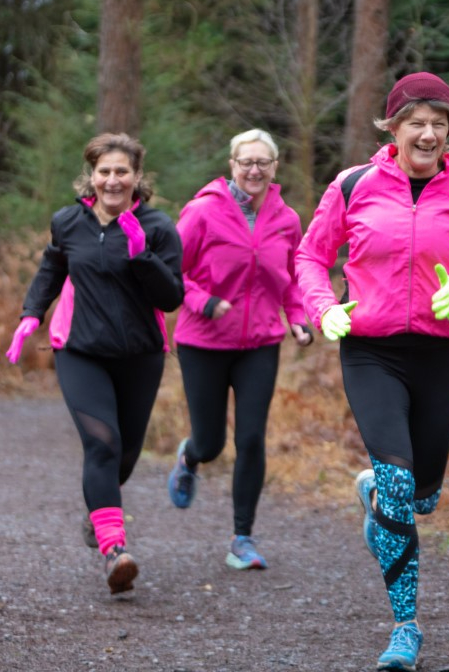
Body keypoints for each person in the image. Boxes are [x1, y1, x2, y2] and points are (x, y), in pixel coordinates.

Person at [295, 72, 449, 671]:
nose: (429, 134)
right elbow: (311, 256)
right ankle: (404, 627)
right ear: (394, 129)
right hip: (371, 351)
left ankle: (380, 497)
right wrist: (324, 307)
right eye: (417, 123)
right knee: (399, 484)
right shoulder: (354, 185)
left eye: (439, 124)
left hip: (439, 354)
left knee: (423, 494)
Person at [5, 133, 184, 595]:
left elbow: (171, 297)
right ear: (91, 176)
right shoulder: (69, 222)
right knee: (102, 444)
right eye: (104, 171)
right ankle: (114, 550)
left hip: (141, 355)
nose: (112, 180)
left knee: (124, 453)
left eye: (121, 171)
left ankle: (97, 509)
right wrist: (30, 315)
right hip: (81, 351)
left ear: (137, 177)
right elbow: (52, 268)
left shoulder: (159, 226)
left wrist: (141, 253)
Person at [165, 129, 313, 570]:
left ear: (275, 166)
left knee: (251, 438)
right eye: (246, 162)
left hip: (260, 343)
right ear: (232, 165)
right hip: (203, 341)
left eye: (262, 162)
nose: (254, 170)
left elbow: (290, 281)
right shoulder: (202, 212)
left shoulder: (286, 219)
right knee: (211, 443)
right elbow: (168, 270)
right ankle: (190, 457)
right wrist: (203, 302)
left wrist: (300, 320)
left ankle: (242, 539)